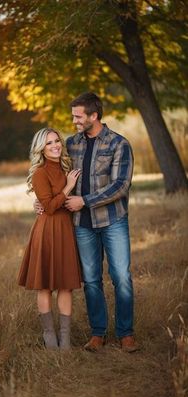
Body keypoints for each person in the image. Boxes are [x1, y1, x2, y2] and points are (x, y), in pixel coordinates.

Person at [35, 92, 138, 353]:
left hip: (113, 221)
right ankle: (98, 333)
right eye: (73, 116)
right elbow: (54, 176)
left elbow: (120, 186)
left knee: (121, 277)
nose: (74, 121)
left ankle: (126, 334)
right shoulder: (72, 144)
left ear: (94, 115)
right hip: (82, 225)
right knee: (91, 280)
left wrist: (85, 201)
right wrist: (41, 202)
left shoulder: (119, 144)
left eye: (78, 116)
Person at [17, 128, 82, 350]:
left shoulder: (67, 167)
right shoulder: (39, 173)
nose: (55, 145)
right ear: (41, 150)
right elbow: (51, 207)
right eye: (48, 143)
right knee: (44, 286)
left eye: (56, 141)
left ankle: (65, 339)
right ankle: (49, 336)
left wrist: (68, 186)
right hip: (46, 231)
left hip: (65, 231)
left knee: (66, 286)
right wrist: (68, 187)